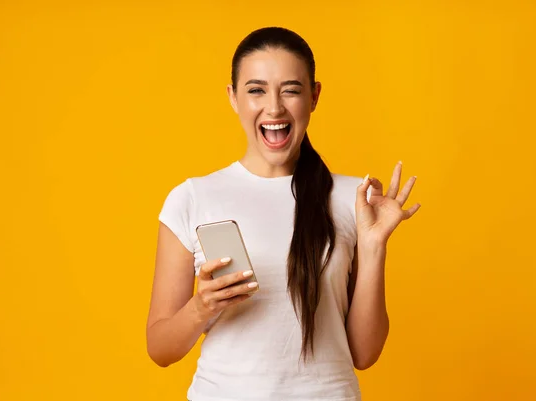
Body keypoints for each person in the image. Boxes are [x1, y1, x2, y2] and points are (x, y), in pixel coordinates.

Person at [146, 26, 421, 401]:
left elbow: (364, 353)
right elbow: (160, 349)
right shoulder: (192, 198)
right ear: (233, 98)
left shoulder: (353, 199)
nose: (274, 107)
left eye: (290, 89)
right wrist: (201, 307)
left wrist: (373, 246)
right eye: (256, 89)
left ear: (314, 96)